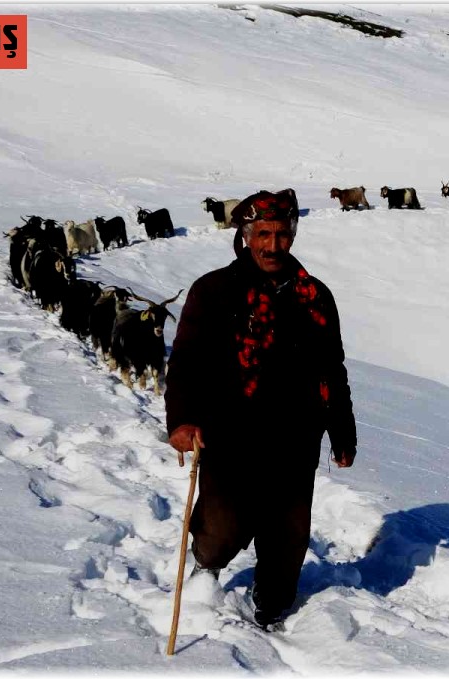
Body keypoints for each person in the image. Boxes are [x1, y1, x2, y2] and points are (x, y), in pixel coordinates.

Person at [164, 187, 356, 629]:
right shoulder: (214, 291)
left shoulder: (315, 296)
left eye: (282, 234)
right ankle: (206, 565)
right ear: (246, 236)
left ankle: (273, 603)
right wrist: (183, 419)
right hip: (230, 430)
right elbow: (187, 360)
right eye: (263, 234)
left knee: (288, 532)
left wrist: (342, 431)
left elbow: (332, 368)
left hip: (296, 433)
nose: (273, 245)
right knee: (223, 525)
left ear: (293, 234)